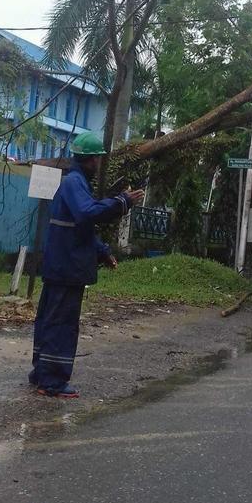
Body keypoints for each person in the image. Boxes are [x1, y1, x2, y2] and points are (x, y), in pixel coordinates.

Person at [29, 131, 145, 398]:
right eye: (98, 160)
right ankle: (52, 381)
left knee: (49, 319)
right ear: (91, 160)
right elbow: (87, 213)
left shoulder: (75, 182)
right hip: (66, 268)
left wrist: (102, 251)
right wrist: (122, 201)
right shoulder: (74, 183)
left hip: (62, 266)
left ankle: (41, 373)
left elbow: (79, 226)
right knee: (61, 323)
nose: (99, 164)